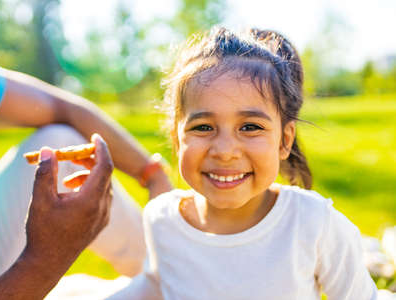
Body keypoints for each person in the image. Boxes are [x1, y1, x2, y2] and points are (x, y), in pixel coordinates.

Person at [58, 27, 378, 299]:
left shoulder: (312, 223)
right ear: (176, 137)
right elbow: (156, 283)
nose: (225, 151)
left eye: (250, 127)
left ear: (285, 140)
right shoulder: (163, 218)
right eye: (203, 128)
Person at [0, 43, 172, 300]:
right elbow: (43, 262)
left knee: (59, 140)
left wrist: (152, 174)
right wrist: (45, 260)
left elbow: (63, 108)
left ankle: (170, 272)